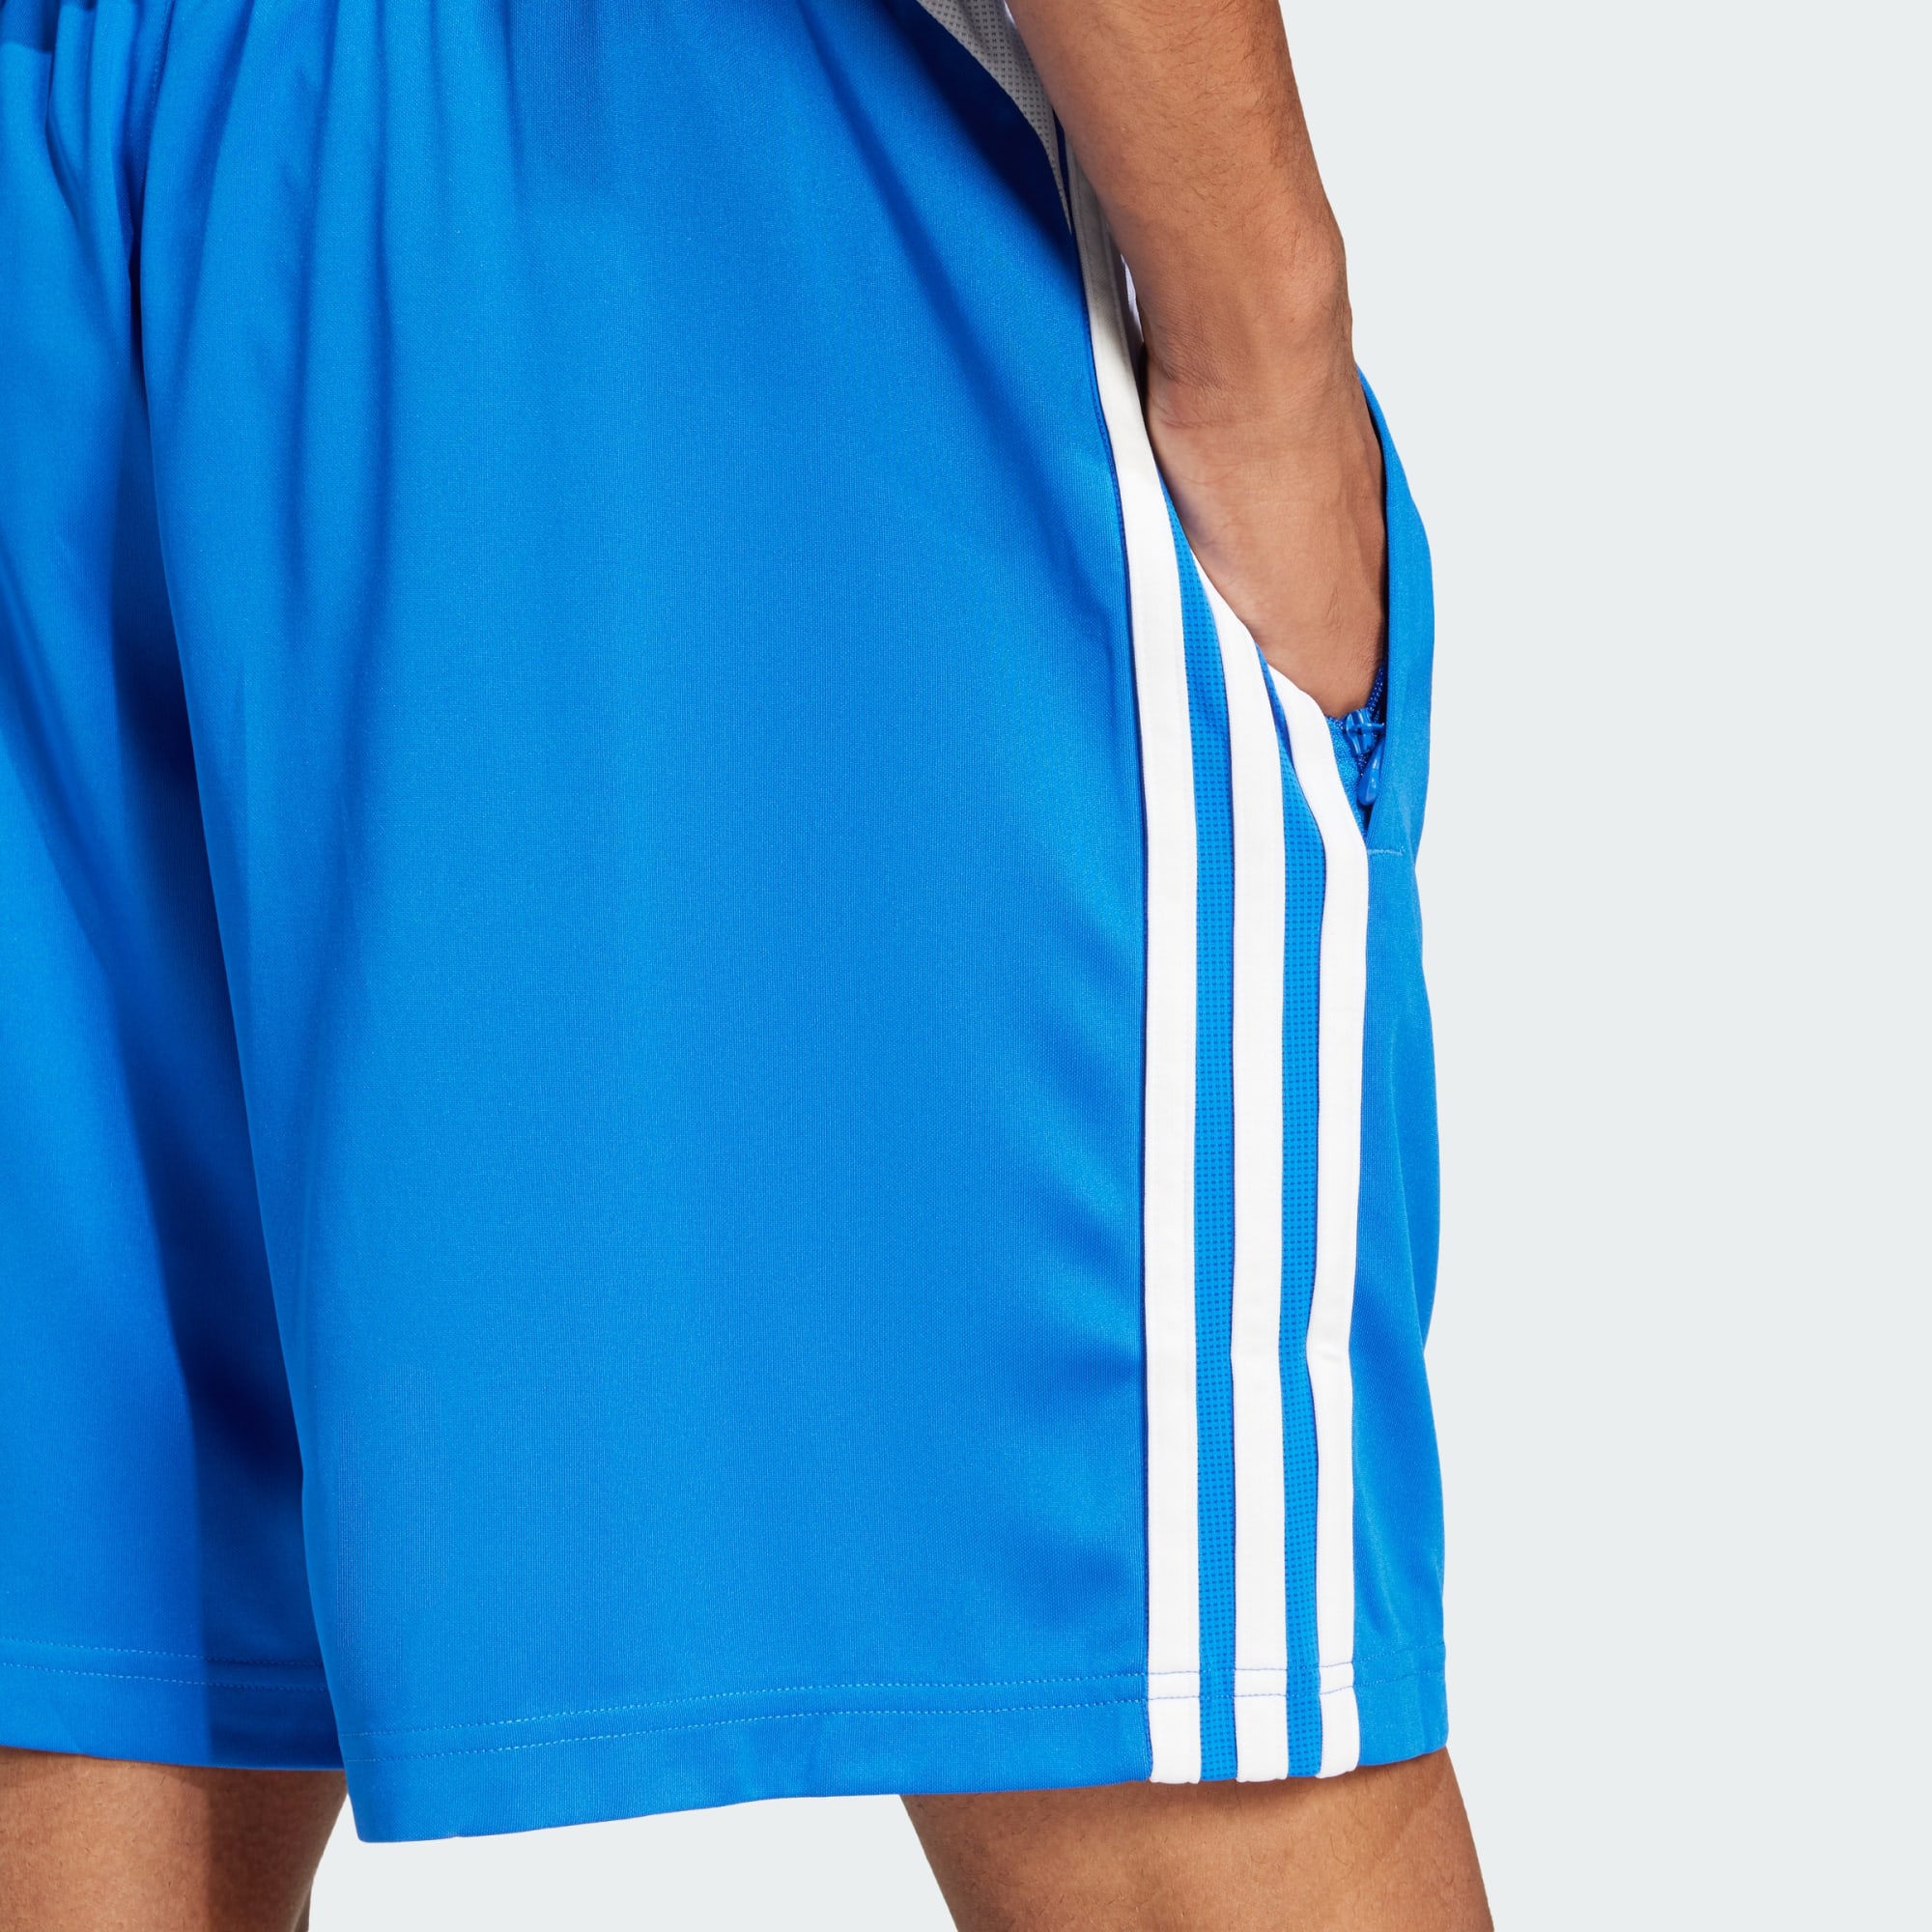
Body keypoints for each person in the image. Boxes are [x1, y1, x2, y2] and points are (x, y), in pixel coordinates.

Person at [0, 0, 1489, 1922]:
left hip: (58, 155)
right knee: (1171, 1726)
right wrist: (1266, 337)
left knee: (85, 1701)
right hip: (684, 169)